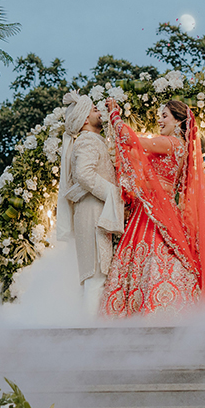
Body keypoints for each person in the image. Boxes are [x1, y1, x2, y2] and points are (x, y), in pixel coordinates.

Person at [100, 98, 205, 316]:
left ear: (179, 121)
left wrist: (115, 115)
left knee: (154, 260)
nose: (159, 120)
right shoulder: (176, 147)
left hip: (155, 211)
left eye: (164, 116)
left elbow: (131, 140)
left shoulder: (172, 144)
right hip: (156, 207)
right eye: (159, 116)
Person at [55, 92, 124, 315]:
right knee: (96, 278)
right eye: (95, 110)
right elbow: (84, 174)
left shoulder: (92, 140)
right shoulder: (86, 141)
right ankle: (90, 338)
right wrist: (113, 193)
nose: (99, 112)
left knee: (98, 278)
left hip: (95, 211)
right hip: (94, 213)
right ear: (85, 118)